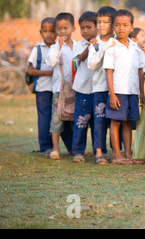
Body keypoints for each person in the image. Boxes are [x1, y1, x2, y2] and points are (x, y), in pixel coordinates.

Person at [103, 9, 145, 165]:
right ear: (113, 27)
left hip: (132, 92)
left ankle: (128, 154)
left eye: (125, 25)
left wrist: (141, 92)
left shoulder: (136, 49)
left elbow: (141, 71)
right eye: (117, 25)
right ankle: (116, 154)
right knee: (115, 122)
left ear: (131, 26)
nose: (121, 28)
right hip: (118, 91)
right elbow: (108, 73)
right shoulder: (111, 48)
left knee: (128, 122)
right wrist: (112, 94)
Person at [46, 12, 78, 160]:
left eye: (66, 28)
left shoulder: (78, 46)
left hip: (76, 88)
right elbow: (51, 62)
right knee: (57, 119)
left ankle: (77, 148)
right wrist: (58, 46)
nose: (63, 31)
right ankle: (55, 148)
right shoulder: (54, 47)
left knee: (75, 120)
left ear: (73, 28)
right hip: (59, 89)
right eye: (59, 28)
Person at [87, 6, 117, 165]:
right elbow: (91, 65)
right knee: (99, 122)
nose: (101, 25)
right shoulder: (95, 43)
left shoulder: (119, 41)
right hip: (99, 88)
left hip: (117, 89)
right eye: (99, 22)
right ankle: (99, 152)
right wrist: (104, 49)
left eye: (105, 22)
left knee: (115, 121)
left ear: (113, 24)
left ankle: (117, 152)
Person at [27, 18, 57, 154]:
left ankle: (65, 145)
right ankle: (45, 146)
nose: (49, 34)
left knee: (58, 117)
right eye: (45, 31)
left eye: (52, 31)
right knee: (44, 117)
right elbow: (31, 70)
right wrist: (49, 73)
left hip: (57, 89)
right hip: (42, 89)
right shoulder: (37, 49)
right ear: (41, 32)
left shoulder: (59, 48)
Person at [71, 11, 98, 163]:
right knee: (81, 121)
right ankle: (77, 151)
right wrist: (90, 47)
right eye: (82, 28)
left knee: (98, 122)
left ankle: (98, 150)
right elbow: (80, 58)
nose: (85, 31)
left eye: (89, 27)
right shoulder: (79, 45)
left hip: (98, 89)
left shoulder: (101, 43)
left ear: (97, 28)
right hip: (83, 90)